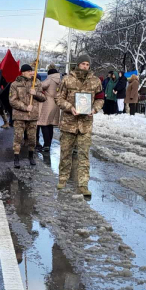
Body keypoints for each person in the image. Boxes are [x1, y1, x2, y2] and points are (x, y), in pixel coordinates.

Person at [54, 54, 104, 196]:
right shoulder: (67, 79)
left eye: (87, 64)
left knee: (84, 155)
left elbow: (100, 99)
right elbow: (58, 98)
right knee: (65, 153)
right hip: (69, 123)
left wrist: (94, 109)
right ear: (78, 64)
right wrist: (70, 107)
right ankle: (63, 179)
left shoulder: (95, 81)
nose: (85, 67)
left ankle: (83, 184)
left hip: (85, 124)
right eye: (83, 64)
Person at [9, 64, 46, 168]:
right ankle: (16, 157)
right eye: (29, 71)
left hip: (32, 116)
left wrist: (36, 94)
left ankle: (31, 156)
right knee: (18, 137)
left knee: (32, 138)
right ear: (23, 72)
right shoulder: (15, 84)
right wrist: (25, 107)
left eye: (32, 71)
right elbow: (12, 101)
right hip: (19, 116)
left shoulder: (37, 83)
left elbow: (43, 98)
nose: (31, 72)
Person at [38, 67, 61, 152]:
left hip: (47, 103)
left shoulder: (50, 79)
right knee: (50, 125)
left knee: (44, 124)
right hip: (56, 103)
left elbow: (40, 86)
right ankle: (49, 144)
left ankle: (46, 145)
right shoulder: (59, 80)